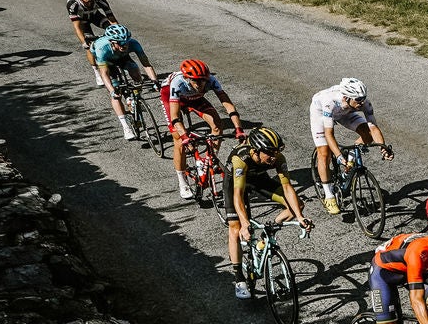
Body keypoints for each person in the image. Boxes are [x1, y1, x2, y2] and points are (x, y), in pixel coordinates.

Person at [224, 125, 311, 300]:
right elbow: (238, 196)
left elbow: (287, 187)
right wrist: (245, 223)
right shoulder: (240, 159)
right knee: (235, 227)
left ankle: (266, 235)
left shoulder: (277, 158)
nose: (273, 157)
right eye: (269, 153)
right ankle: (239, 278)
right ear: (256, 151)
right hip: (235, 184)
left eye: (276, 152)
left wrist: (300, 217)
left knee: (298, 205)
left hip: (259, 180)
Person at [161, 59, 246, 200]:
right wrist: (184, 137)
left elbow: (228, 105)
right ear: (187, 78)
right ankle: (182, 182)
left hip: (194, 98)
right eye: (197, 81)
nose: (201, 84)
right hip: (170, 96)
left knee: (218, 125)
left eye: (203, 80)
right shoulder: (177, 83)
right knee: (178, 139)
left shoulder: (211, 80)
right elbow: (175, 117)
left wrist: (239, 128)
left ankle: (210, 159)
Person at [309, 78, 392, 214]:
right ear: (347, 97)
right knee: (324, 153)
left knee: (367, 134)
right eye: (358, 99)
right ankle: (329, 196)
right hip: (321, 112)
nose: (362, 102)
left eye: (363, 98)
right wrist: (338, 155)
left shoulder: (363, 103)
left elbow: (374, 128)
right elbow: (329, 134)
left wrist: (383, 148)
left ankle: (351, 157)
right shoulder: (329, 102)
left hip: (345, 112)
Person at [89, 25, 158, 140]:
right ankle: (126, 126)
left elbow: (146, 64)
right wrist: (112, 91)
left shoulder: (133, 43)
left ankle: (134, 99)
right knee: (116, 92)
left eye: (126, 42)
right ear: (112, 42)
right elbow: (104, 74)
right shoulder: (102, 49)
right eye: (120, 43)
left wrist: (155, 81)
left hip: (122, 58)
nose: (124, 45)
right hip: (107, 61)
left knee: (135, 71)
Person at [67, 0, 117, 86]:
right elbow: (77, 27)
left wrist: (117, 33)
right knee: (90, 46)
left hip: (96, 16)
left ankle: (118, 61)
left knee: (114, 34)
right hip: (82, 22)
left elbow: (112, 19)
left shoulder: (99, 0)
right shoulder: (73, 4)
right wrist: (84, 42)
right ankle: (97, 72)